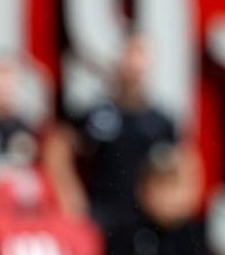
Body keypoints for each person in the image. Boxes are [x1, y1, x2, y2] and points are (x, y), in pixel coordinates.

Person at [45, 34, 191, 255]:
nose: (134, 64)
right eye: (130, 55)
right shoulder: (99, 112)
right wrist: (69, 193)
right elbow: (58, 144)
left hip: (147, 222)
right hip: (104, 218)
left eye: (140, 56)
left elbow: (183, 163)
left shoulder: (160, 121)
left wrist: (174, 203)